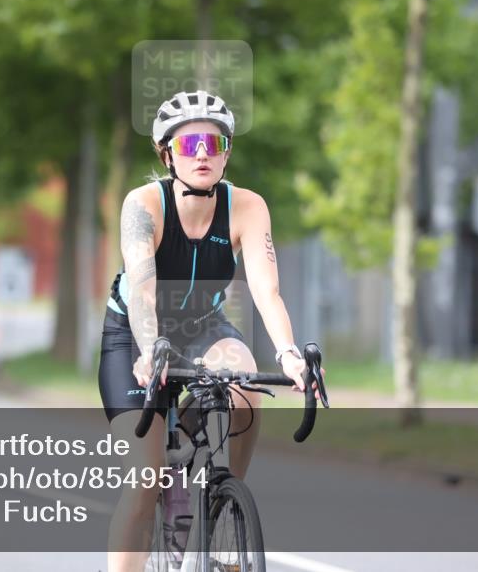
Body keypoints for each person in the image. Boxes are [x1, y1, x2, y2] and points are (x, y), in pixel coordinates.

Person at [98, 89, 319, 571]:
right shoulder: (143, 205)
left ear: (227, 152)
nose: (202, 154)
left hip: (203, 326)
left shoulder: (247, 207)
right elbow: (143, 293)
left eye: (213, 143)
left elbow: (267, 291)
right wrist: (148, 348)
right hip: (135, 334)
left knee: (246, 384)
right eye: (188, 143)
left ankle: (221, 504)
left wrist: (288, 354)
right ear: (167, 154)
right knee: (144, 481)